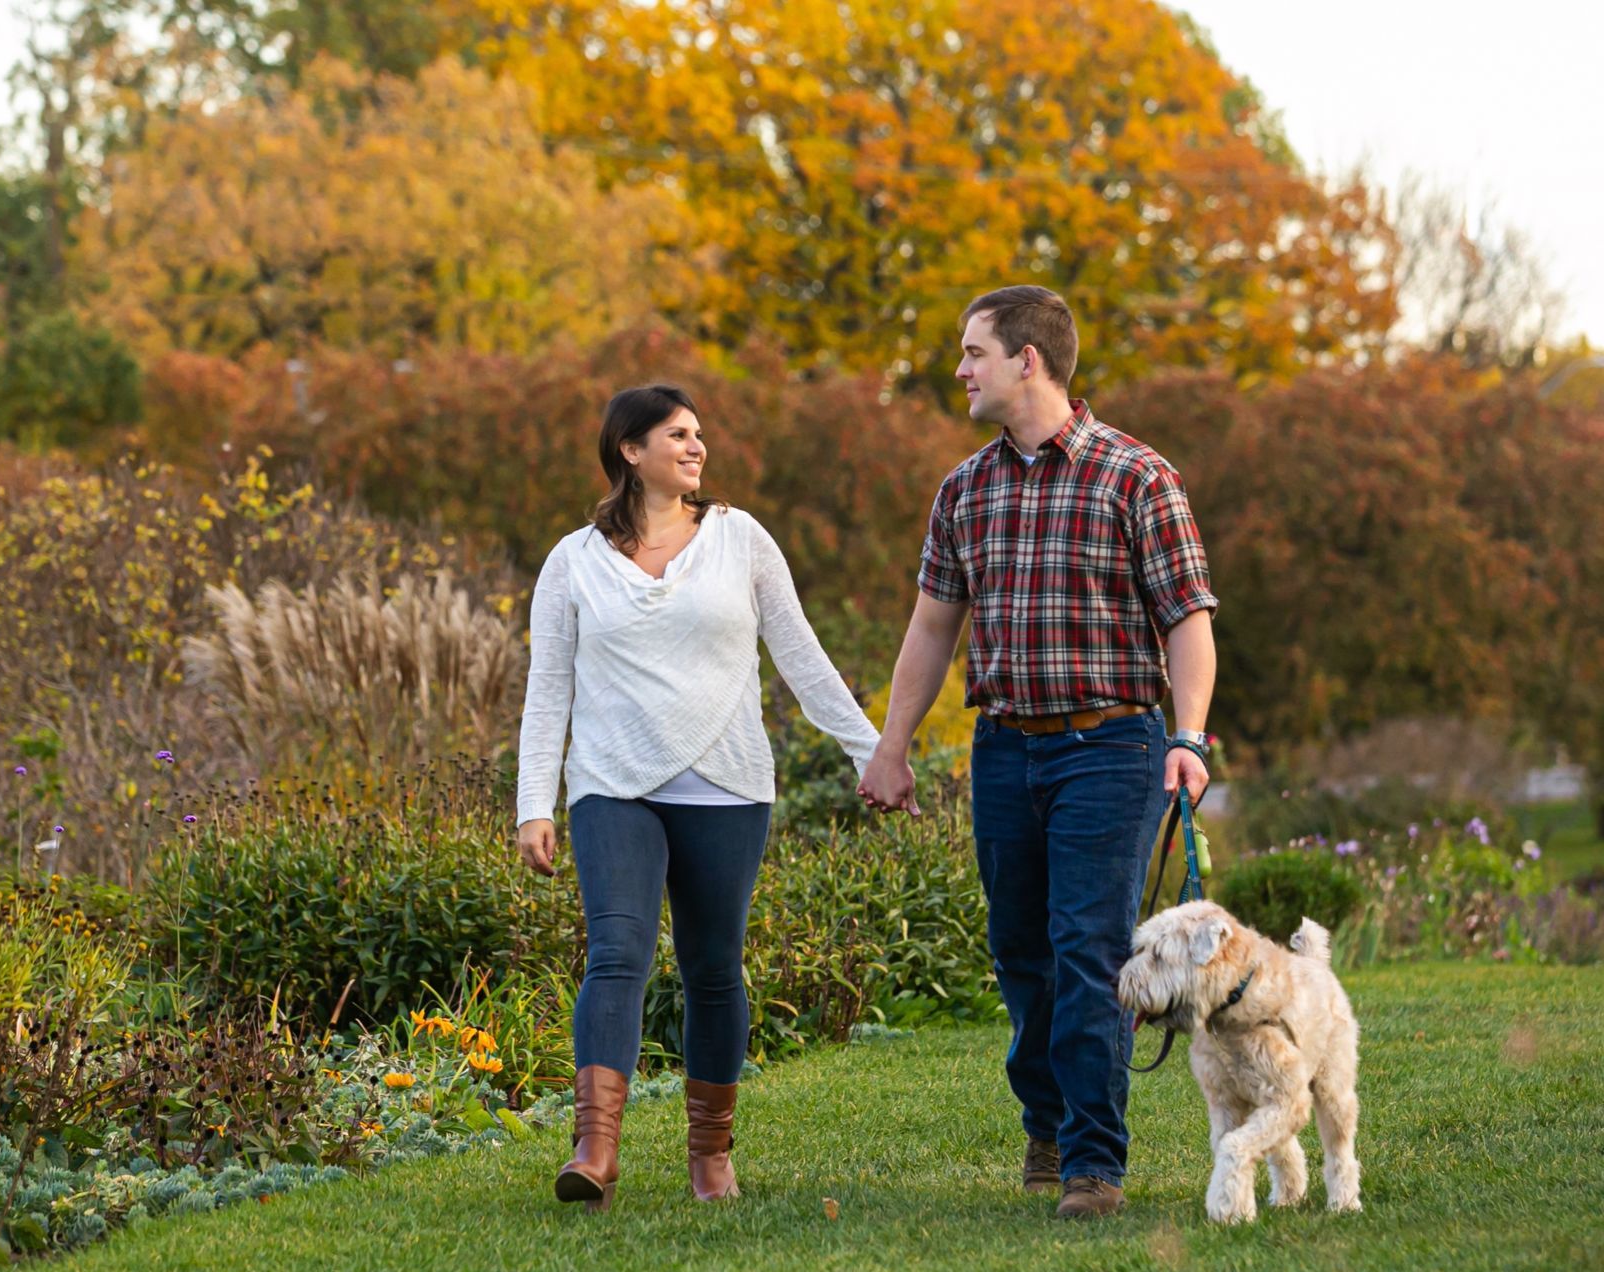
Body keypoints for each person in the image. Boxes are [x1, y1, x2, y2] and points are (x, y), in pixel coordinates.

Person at [858, 285, 1218, 1220]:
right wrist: (892, 746)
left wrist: (1188, 737)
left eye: (972, 351)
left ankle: (1095, 1162)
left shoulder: (1137, 476)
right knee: (1022, 953)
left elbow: (1187, 621)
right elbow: (932, 628)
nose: (959, 369)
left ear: (1028, 360)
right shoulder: (964, 490)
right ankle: (1049, 1124)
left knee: (1088, 947)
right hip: (1005, 752)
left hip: (1113, 745)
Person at [516, 384, 881, 1211]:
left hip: (727, 782)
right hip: (612, 784)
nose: (697, 447)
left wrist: (873, 752)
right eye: (677, 435)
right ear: (629, 450)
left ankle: (710, 1153)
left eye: (700, 434)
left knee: (713, 969)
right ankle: (594, 1151)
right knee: (617, 951)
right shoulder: (571, 562)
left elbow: (800, 656)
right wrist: (534, 802)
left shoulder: (740, 540)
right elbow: (548, 692)